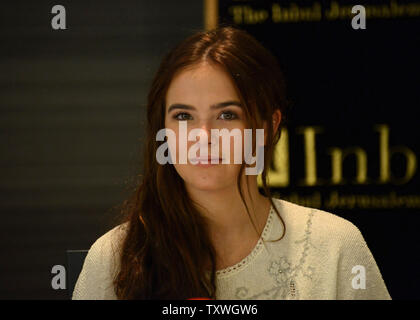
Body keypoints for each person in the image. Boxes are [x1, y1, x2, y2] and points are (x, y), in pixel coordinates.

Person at [72, 26, 391, 300]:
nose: (204, 136)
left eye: (227, 115)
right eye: (183, 116)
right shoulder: (113, 258)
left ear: (268, 126)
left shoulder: (335, 246)